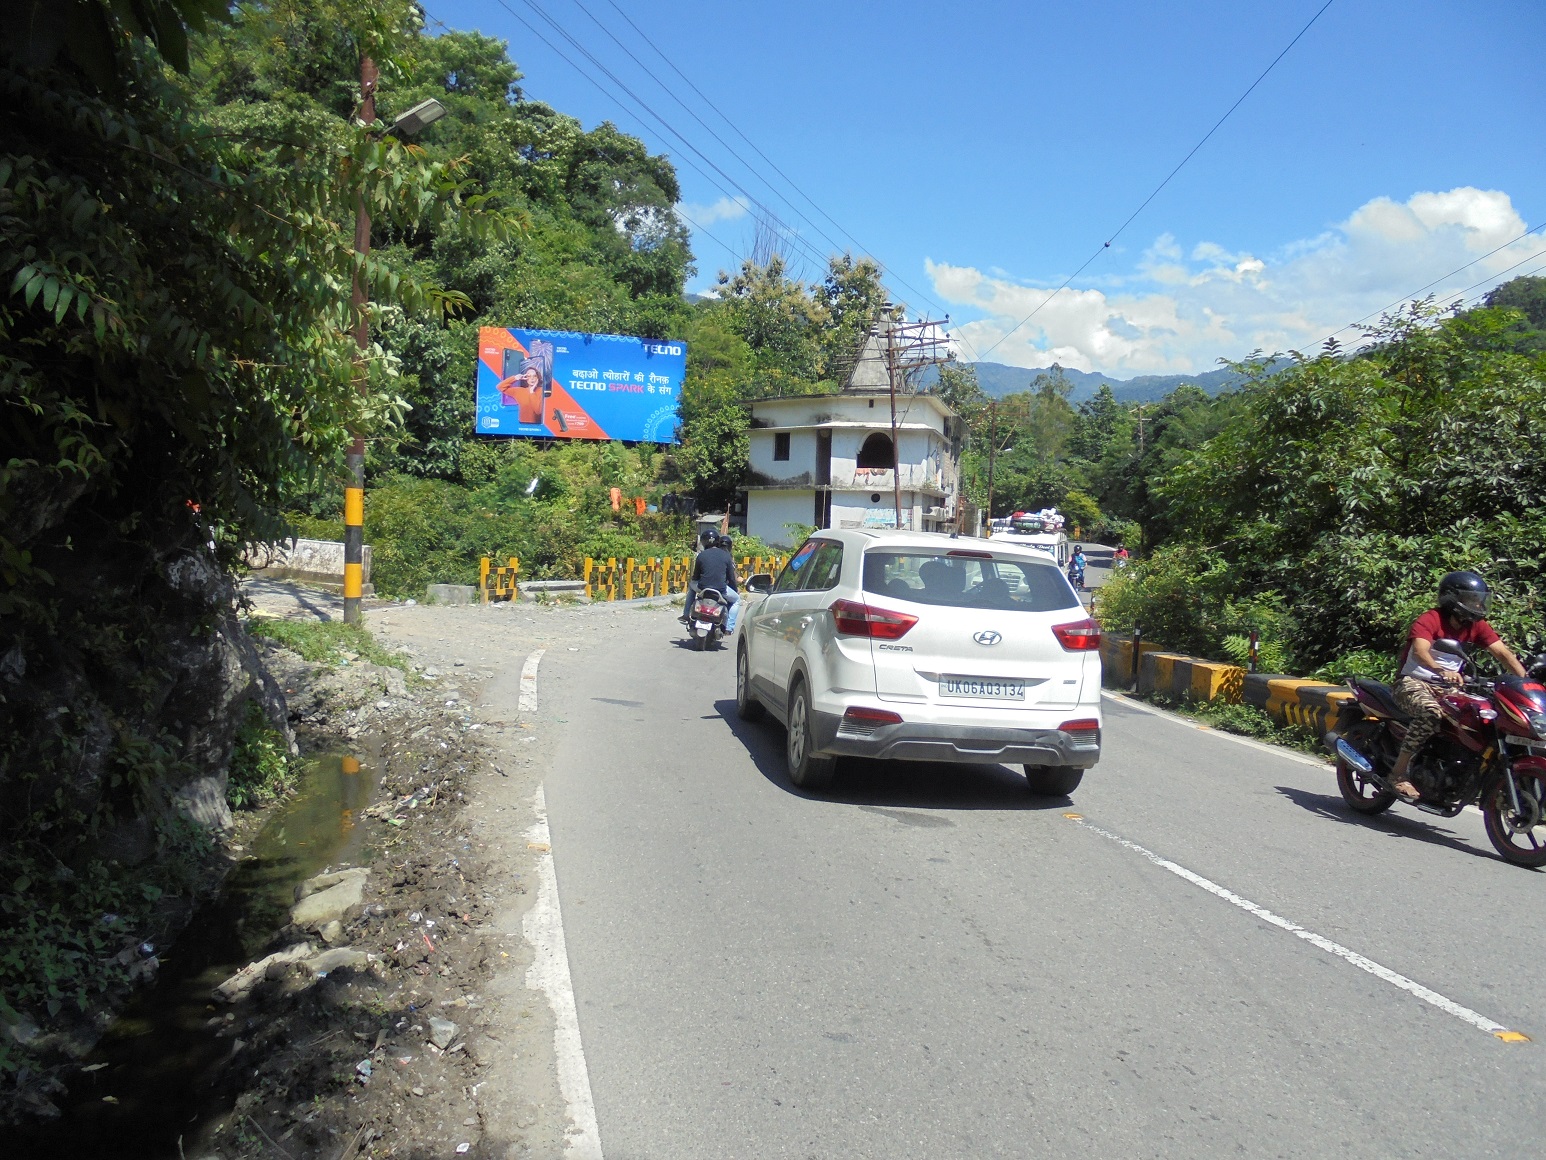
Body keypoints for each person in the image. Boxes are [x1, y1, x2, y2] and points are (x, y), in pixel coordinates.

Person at [1387, 571, 1526, 801]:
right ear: (1453, 599)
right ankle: (1398, 774)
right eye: (1472, 599)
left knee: (1478, 717)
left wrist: (1524, 680)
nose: (1478, 604)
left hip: (1448, 688)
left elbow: (1503, 653)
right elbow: (1421, 652)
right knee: (1431, 713)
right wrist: (1441, 670)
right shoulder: (1430, 619)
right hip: (1412, 683)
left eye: (1480, 599)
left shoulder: (1477, 626)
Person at [681, 531, 740, 632]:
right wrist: (735, 589)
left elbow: (695, 576)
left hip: (703, 587)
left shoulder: (701, 556)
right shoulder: (726, 556)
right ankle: (729, 628)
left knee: (691, 587)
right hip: (721, 589)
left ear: (703, 542)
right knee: (737, 600)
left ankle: (686, 615)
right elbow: (731, 578)